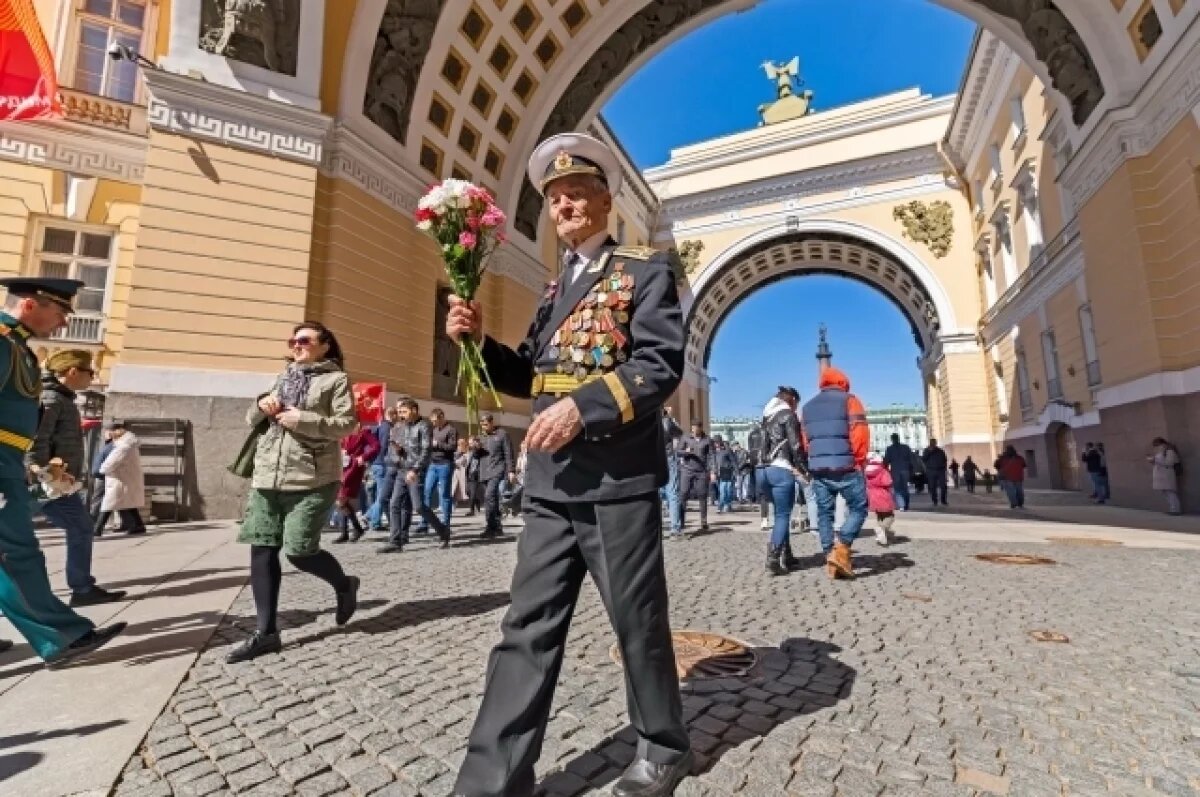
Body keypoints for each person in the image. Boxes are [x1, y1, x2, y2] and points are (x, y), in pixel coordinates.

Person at [446, 132, 692, 797]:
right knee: (525, 626)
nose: (565, 206)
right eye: (556, 199)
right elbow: (529, 375)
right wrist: (478, 343)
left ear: (605, 200)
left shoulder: (645, 272)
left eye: (578, 193)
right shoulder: (558, 290)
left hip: (617, 478)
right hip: (553, 483)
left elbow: (658, 365)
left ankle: (664, 745)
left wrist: (584, 409)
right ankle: (492, 778)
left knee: (636, 619)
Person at [0, 276, 126, 664]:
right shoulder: (3, 343)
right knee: (16, 554)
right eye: (60, 312)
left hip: (9, 461)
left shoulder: (17, 346)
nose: (64, 324)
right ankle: (61, 636)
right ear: (30, 305)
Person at [227, 321, 361, 663]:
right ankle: (266, 633)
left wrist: (303, 419)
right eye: (293, 340)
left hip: (312, 478)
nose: (296, 344)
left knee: (300, 551)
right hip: (267, 475)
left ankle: (344, 586)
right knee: (262, 549)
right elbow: (249, 419)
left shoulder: (336, 380)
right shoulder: (282, 376)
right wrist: (261, 406)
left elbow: (347, 425)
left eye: (304, 340)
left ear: (325, 346)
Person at [30, 349, 126, 605]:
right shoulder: (51, 399)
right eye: (89, 372)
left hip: (57, 480)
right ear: (72, 371)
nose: (92, 377)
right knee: (15, 532)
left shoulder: (62, 399)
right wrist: (45, 477)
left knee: (81, 527)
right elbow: (36, 442)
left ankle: (82, 588)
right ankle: (81, 589)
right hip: (49, 480)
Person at [801, 367, 869, 580]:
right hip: (847, 466)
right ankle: (842, 547)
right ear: (843, 382)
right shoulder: (850, 400)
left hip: (819, 469)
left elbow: (805, 440)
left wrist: (815, 459)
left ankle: (829, 553)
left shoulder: (807, 406)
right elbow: (859, 433)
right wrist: (858, 460)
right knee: (859, 507)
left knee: (824, 513)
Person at [380, 398, 451, 551]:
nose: (401, 415)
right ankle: (395, 541)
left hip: (415, 471)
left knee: (419, 506)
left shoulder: (424, 426)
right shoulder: (402, 426)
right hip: (402, 470)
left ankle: (443, 530)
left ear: (414, 410)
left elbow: (426, 451)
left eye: (404, 412)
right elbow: (398, 448)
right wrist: (398, 452)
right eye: (399, 412)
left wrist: (415, 470)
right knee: (394, 504)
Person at [758, 386, 806, 575]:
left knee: (780, 513)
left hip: (761, 471)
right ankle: (773, 558)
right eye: (796, 404)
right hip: (780, 469)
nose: (796, 408)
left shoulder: (766, 416)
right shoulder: (787, 415)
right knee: (783, 515)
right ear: (791, 400)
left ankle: (787, 554)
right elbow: (795, 445)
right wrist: (803, 469)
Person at [92, 421, 148, 536]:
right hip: (126, 478)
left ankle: (97, 529)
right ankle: (139, 525)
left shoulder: (123, 447)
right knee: (128, 502)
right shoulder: (129, 445)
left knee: (108, 503)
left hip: (119, 478)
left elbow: (109, 464)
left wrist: (102, 470)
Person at [333, 421, 380, 543]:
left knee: (340, 500)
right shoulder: (343, 432)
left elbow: (376, 446)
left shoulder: (363, 433)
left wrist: (363, 457)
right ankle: (345, 532)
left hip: (353, 468)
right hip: (342, 466)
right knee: (342, 499)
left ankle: (356, 528)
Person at [476, 414, 514, 538]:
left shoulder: (502, 434)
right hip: (484, 471)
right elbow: (476, 456)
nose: (484, 427)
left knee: (489, 496)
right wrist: (475, 449)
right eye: (482, 425)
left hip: (497, 469)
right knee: (492, 500)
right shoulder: (480, 437)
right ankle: (497, 527)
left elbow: (508, 453)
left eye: (486, 424)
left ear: (492, 423)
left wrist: (511, 470)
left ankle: (490, 526)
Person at [676, 419, 714, 535]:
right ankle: (681, 521)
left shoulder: (707, 440)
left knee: (702, 495)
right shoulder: (686, 438)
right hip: (687, 470)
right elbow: (678, 451)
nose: (694, 429)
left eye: (697, 427)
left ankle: (703, 521)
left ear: (701, 428)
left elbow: (711, 456)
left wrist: (712, 471)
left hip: (701, 471)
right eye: (693, 427)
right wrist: (686, 451)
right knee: (683, 494)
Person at [424, 408, 458, 529]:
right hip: (433, 464)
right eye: (432, 421)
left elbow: (452, 447)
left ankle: (445, 524)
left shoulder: (451, 430)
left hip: (445, 464)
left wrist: (437, 444)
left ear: (441, 417)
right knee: (427, 492)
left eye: (435, 421)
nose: (433, 423)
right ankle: (425, 522)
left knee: (444, 495)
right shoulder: (434, 430)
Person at [364, 407, 397, 530]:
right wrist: (385, 460)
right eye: (396, 415)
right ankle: (371, 518)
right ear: (391, 415)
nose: (397, 418)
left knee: (380, 494)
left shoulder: (379, 426)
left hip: (376, 463)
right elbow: (383, 446)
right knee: (381, 495)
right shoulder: (387, 427)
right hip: (382, 464)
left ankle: (372, 519)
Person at [864, 453, 896, 546]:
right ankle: (881, 529)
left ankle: (883, 536)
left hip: (872, 495)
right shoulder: (882, 471)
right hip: (882, 494)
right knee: (890, 516)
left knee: (880, 515)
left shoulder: (866, 471)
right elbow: (887, 482)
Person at [660, 406, 683, 534]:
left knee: (656, 494)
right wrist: (670, 417)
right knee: (673, 493)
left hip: (654, 459)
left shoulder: (647, 420)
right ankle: (675, 528)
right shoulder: (667, 421)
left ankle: (657, 529)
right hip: (668, 458)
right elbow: (679, 432)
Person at [1148, 437, 1182, 515]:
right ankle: (1172, 509)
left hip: (1167, 474)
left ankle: (1176, 510)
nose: (1156, 447)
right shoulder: (1161, 452)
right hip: (1161, 475)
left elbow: (1169, 463)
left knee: (1170, 492)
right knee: (1165, 492)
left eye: (1157, 444)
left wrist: (1156, 460)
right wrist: (1153, 461)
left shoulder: (1169, 451)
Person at [883, 433, 913, 511]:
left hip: (895, 471)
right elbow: (911, 459)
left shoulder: (889, 449)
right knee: (905, 488)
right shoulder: (906, 447)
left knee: (897, 489)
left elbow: (886, 461)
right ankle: (906, 504)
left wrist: (885, 469)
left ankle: (902, 505)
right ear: (898, 438)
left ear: (892, 439)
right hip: (905, 470)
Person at [713, 435, 737, 513]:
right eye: (714, 442)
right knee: (722, 490)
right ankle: (723, 505)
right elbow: (712, 462)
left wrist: (736, 471)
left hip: (727, 472)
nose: (716, 444)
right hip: (718, 473)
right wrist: (712, 471)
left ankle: (726, 505)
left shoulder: (727, 450)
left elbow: (733, 460)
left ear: (720, 442)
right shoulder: (714, 452)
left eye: (717, 442)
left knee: (727, 490)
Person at [922, 439, 949, 507]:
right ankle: (934, 500)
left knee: (943, 486)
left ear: (936, 443)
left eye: (934, 443)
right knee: (932, 487)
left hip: (941, 470)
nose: (933, 444)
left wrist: (944, 468)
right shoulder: (926, 450)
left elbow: (945, 459)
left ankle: (943, 500)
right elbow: (924, 459)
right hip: (931, 470)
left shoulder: (940, 451)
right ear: (930, 443)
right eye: (932, 443)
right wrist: (929, 452)